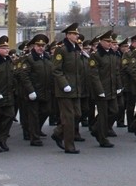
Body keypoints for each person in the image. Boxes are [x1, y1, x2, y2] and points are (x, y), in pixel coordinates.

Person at [52, 23, 86, 153]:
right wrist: (64, 84)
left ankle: (58, 132)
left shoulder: (76, 49)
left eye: (77, 34)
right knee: (69, 118)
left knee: (77, 114)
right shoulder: (61, 49)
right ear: (68, 35)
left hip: (75, 88)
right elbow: (56, 70)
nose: (77, 36)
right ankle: (69, 146)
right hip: (65, 89)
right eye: (74, 34)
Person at [16, 33, 53, 147]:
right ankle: (34, 138)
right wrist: (31, 91)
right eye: (38, 45)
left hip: (45, 91)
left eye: (43, 46)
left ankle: (34, 130)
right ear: (33, 47)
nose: (41, 48)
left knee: (46, 111)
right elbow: (24, 76)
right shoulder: (29, 59)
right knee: (33, 115)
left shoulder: (47, 58)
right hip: (33, 92)